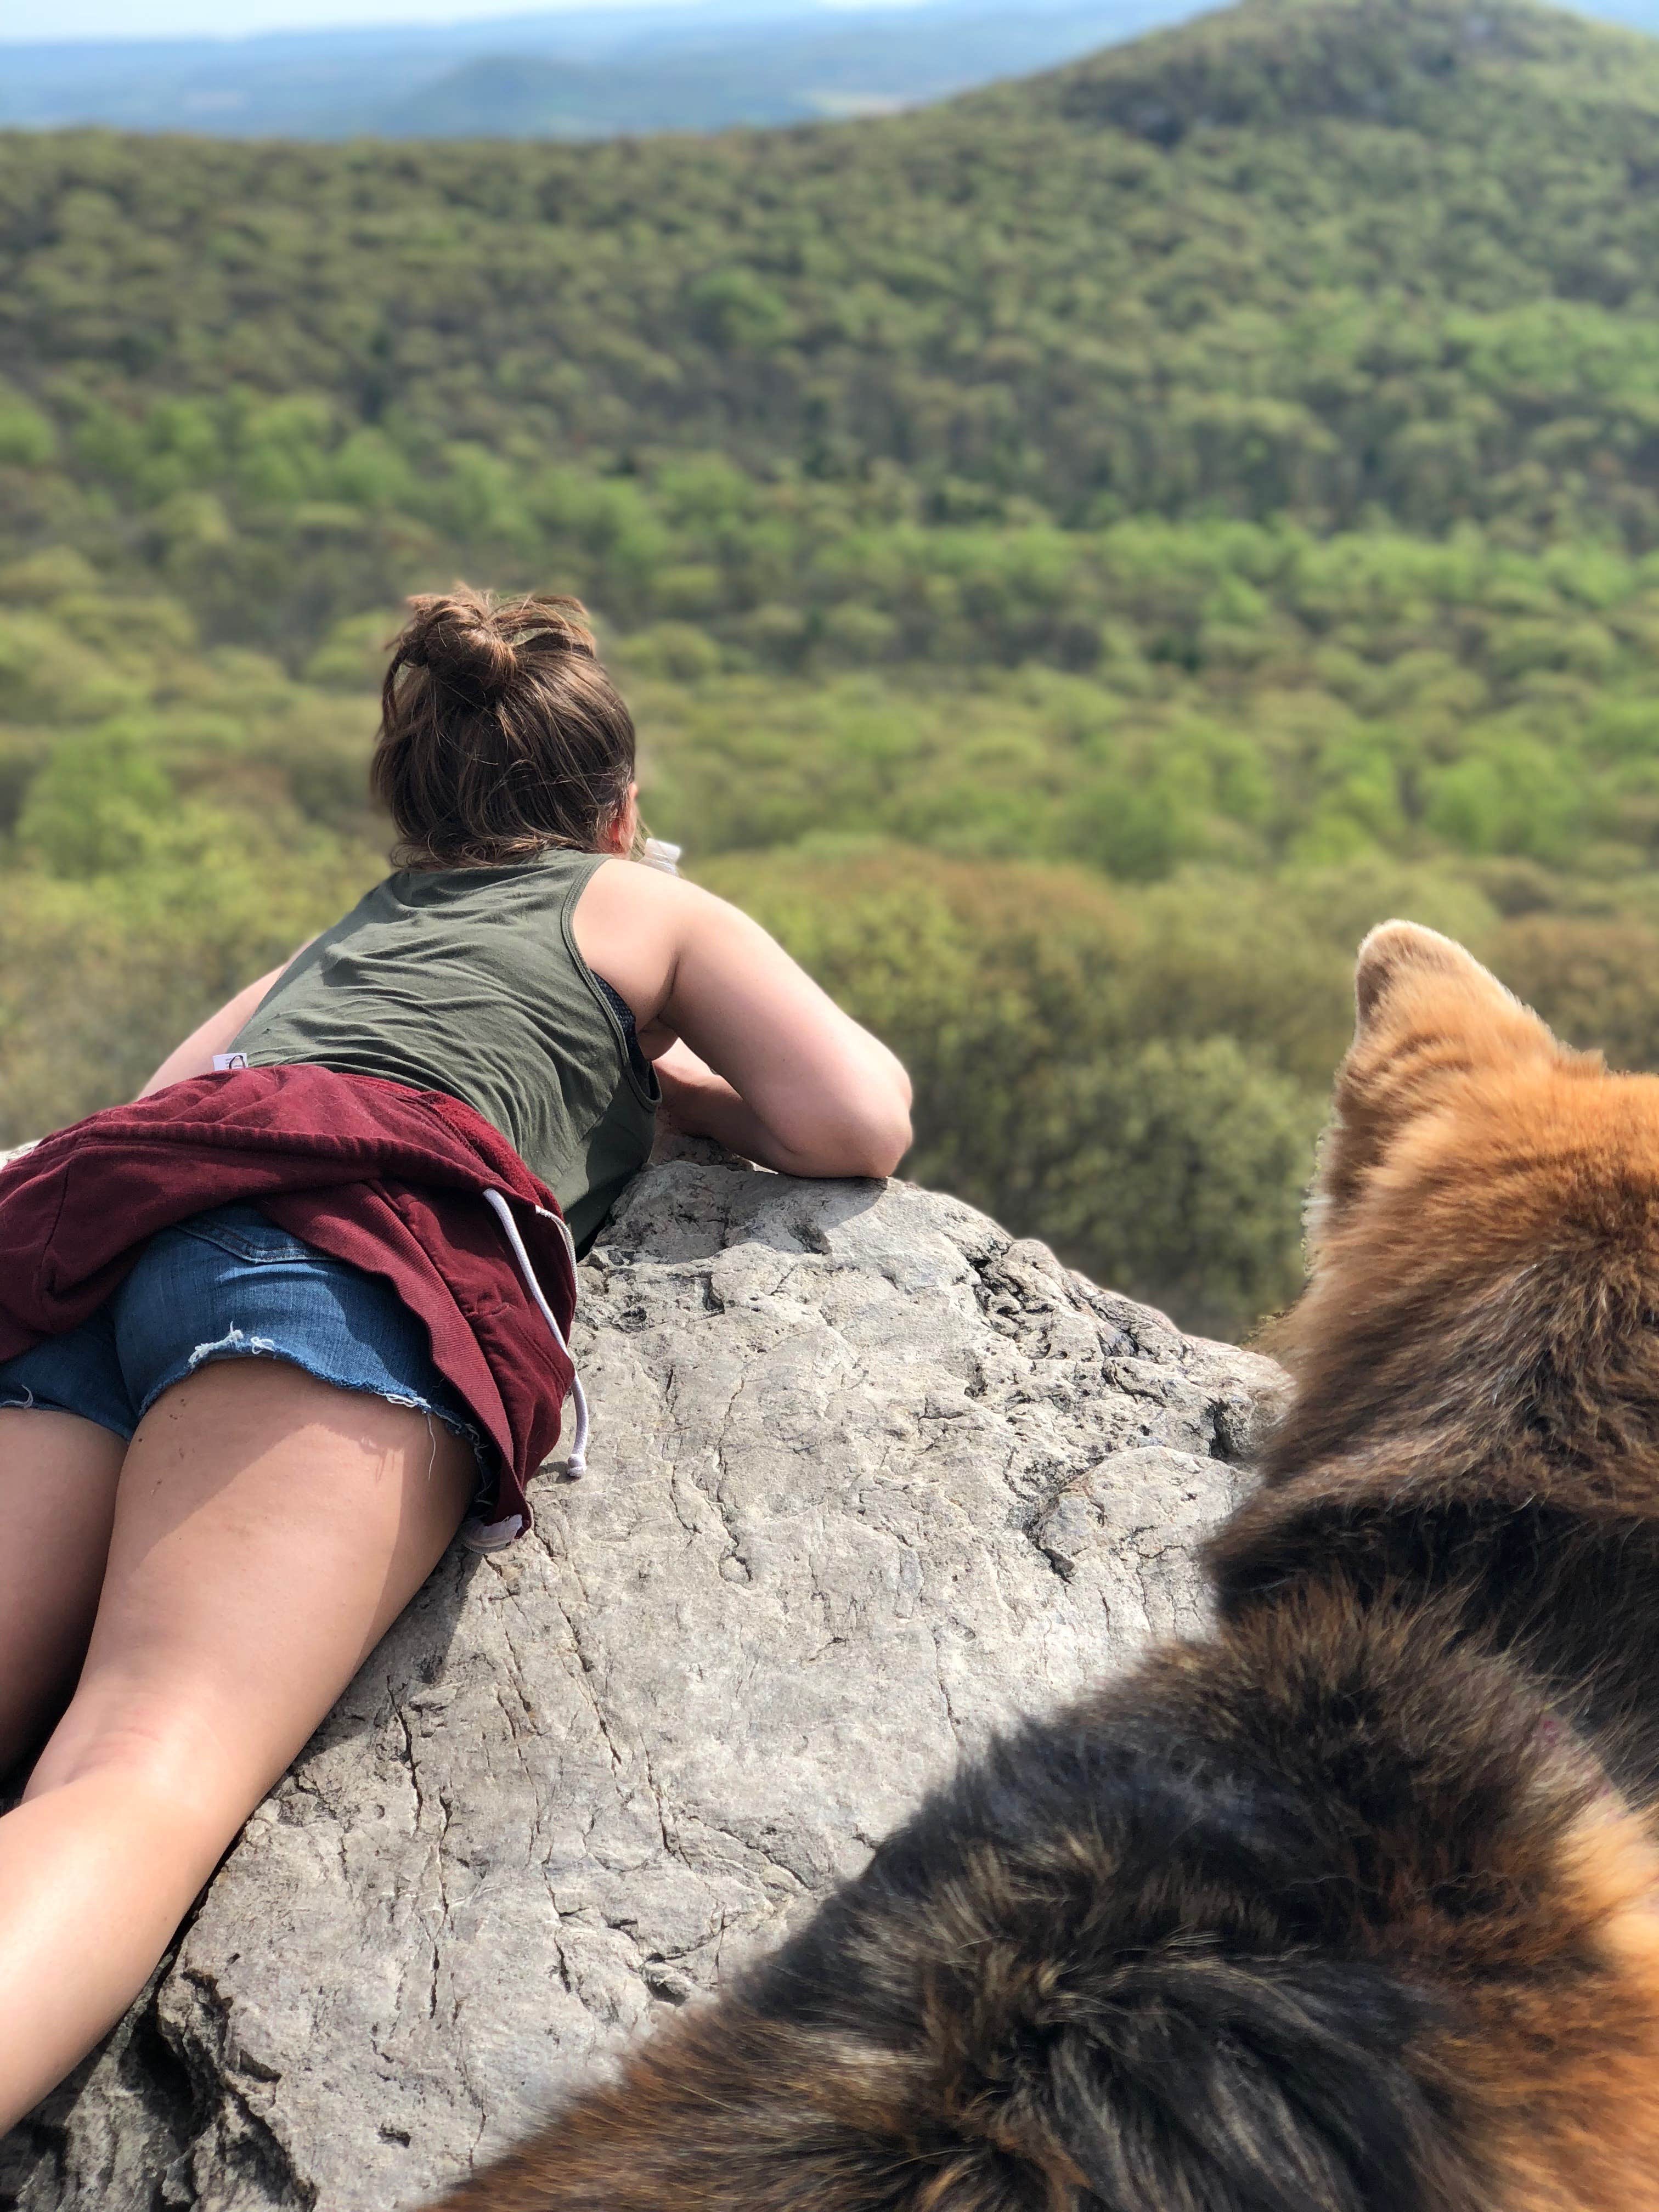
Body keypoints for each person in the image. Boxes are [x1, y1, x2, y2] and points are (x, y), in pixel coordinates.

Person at [0, 588, 912, 2135]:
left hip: (106, 1253)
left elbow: (173, 1094)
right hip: (334, 1269)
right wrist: (671, 1087)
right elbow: (859, 1117)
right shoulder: (649, 912)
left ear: (412, 815)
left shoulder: (346, 930)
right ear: (620, 814)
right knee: (140, 1775)